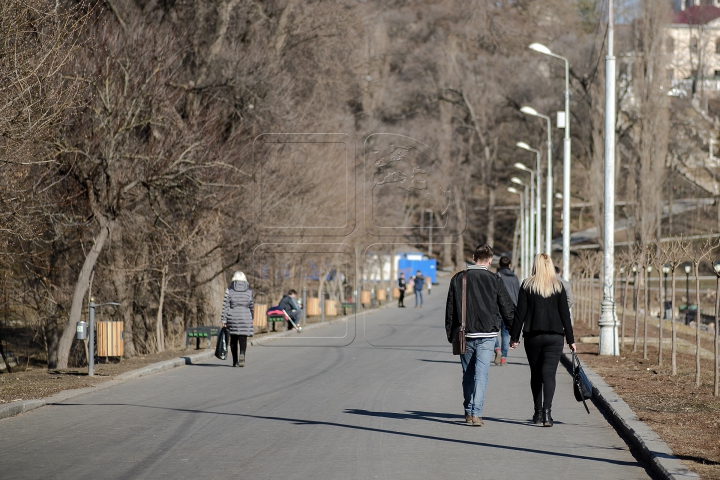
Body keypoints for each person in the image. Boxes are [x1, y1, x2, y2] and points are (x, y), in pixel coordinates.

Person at [445, 245, 515, 427]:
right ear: (490, 260)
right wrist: (514, 333)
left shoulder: (459, 278)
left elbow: (450, 309)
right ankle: (477, 414)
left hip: (464, 333)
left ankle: (468, 411)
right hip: (488, 334)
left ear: (473, 256)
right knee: (481, 375)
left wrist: (450, 333)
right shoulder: (495, 279)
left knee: (467, 375)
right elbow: (506, 307)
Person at [510, 254, 576, 427]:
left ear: (536, 265)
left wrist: (514, 337)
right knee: (549, 374)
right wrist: (571, 339)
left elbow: (520, 314)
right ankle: (547, 413)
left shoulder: (527, 284)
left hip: (532, 336)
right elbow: (565, 315)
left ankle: (538, 412)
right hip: (554, 337)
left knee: (536, 374)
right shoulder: (558, 286)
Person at [220, 271, 254, 368]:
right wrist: (251, 317)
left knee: (233, 339)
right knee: (243, 337)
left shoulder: (229, 291)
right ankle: (242, 353)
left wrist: (224, 320)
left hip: (232, 317)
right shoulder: (249, 292)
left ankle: (235, 361)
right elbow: (251, 306)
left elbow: (225, 306)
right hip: (245, 316)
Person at [494, 256, 519, 366]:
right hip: (510, 309)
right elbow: (517, 294)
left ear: (499, 265)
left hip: (497, 308)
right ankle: (503, 358)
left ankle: (497, 348)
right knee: (505, 334)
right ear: (509, 265)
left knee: (493, 331)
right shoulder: (514, 278)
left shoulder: (496, 276)